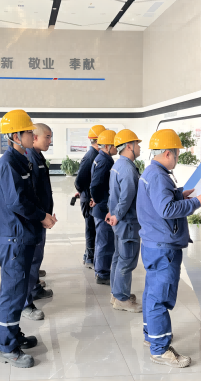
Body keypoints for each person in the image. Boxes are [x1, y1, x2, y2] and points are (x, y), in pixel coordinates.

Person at [137, 129, 201, 368]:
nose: (177, 157)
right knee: (160, 297)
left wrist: (179, 194)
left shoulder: (151, 172)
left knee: (151, 293)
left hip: (152, 243)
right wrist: (196, 202)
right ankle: (160, 349)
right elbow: (166, 210)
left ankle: (151, 335)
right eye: (177, 153)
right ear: (168, 153)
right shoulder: (159, 176)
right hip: (163, 247)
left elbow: (159, 201)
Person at [0, 110, 57, 368]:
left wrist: (43, 215)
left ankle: (14, 334)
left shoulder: (22, 160)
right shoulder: (8, 162)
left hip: (25, 234)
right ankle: (7, 347)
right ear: (15, 136)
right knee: (12, 294)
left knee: (19, 290)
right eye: (29, 132)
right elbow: (17, 202)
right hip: (15, 238)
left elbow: (31, 196)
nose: (33, 135)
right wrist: (41, 216)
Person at [22, 123, 54, 321]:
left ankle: (34, 288)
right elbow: (31, 194)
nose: (50, 141)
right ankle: (26, 302)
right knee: (32, 259)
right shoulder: (30, 158)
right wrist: (42, 216)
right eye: (47, 137)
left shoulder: (38, 156)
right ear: (35, 137)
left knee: (36, 258)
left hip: (42, 217)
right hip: (36, 219)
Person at [107, 129, 142, 313]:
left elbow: (113, 193)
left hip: (119, 222)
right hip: (127, 222)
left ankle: (116, 293)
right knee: (127, 261)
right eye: (137, 144)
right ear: (129, 146)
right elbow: (126, 197)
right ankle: (122, 298)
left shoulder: (118, 165)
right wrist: (118, 214)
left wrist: (112, 213)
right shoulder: (128, 169)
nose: (140, 147)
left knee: (118, 258)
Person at [75, 125, 106, 269]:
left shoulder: (95, 155)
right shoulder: (91, 156)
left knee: (92, 228)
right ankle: (90, 257)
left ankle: (88, 255)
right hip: (89, 199)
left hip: (88, 197)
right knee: (91, 229)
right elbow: (79, 181)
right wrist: (85, 193)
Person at [90, 129, 118, 285]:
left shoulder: (100, 157)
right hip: (102, 209)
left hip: (100, 207)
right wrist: (99, 200)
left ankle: (100, 270)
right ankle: (102, 273)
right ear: (107, 146)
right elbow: (95, 185)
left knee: (102, 241)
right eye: (115, 145)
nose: (117, 147)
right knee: (105, 241)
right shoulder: (105, 161)